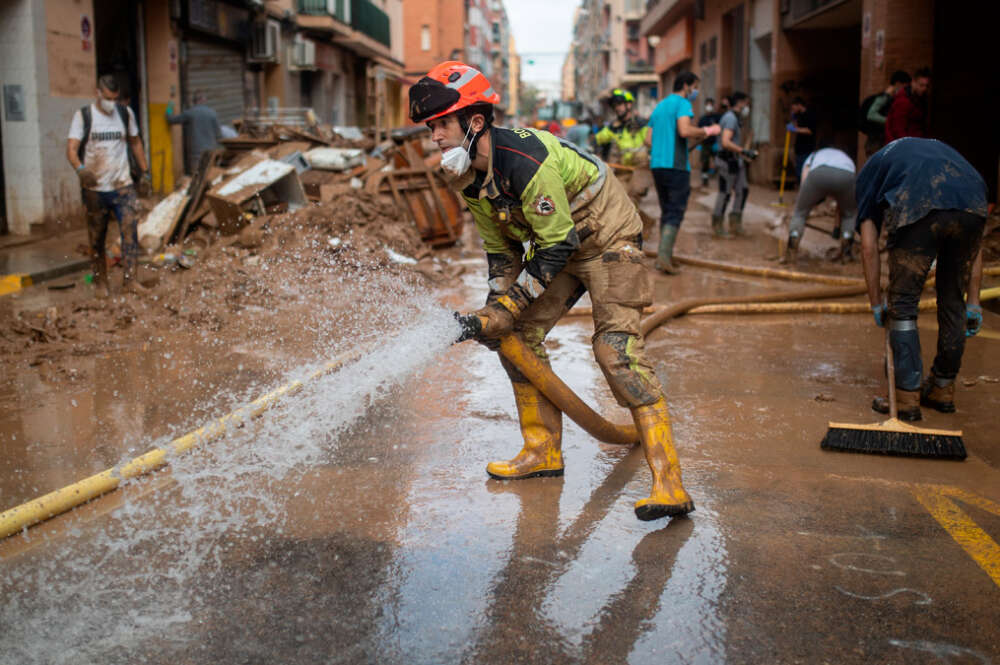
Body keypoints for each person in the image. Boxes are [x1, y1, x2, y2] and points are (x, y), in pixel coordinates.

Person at [410, 61, 694, 520]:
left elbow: (558, 243)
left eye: (442, 124)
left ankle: (669, 483)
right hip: (558, 242)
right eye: (431, 126)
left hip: (606, 237)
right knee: (514, 339)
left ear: (474, 121)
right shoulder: (466, 175)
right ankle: (541, 451)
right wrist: (496, 310)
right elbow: (501, 253)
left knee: (615, 350)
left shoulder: (525, 161)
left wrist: (509, 304)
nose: (435, 135)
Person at [856, 138, 987, 420]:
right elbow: (976, 249)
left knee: (902, 303)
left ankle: (906, 397)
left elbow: (868, 247)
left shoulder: (870, 171)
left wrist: (877, 303)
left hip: (919, 200)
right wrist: (973, 302)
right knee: (953, 301)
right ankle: (942, 388)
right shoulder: (942, 153)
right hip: (974, 202)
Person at [66, 74, 151, 298]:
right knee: (97, 237)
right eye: (108, 98)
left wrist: (145, 170)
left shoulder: (125, 113)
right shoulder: (83, 116)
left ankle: (130, 280)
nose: (111, 103)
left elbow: (135, 141)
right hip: (95, 189)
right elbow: (72, 149)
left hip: (122, 185)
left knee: (130, 232)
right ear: (98, 93)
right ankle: (100, 283)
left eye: (115, 98)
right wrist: (80, 169)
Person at [645, 72, 719, 273]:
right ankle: (663, 258)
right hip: (676, 167)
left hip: (658, 166)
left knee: (667, 210)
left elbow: (648, 140)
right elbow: (685, 130)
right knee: (675, 211)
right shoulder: (683, 104)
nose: (696, 91)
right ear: (686, 86)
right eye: (695, 86)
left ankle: (665, 255)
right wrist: (708, 131)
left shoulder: (660, 106)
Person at [780, 147, 857, 265]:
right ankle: (846, 252)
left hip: (819, 173)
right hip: (846, 174)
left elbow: (804, 182)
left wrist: (805, 205)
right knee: (849, 214)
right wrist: (836, 229)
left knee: (799, 213)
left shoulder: (812, 156)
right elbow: (841, 205)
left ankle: (791, 250)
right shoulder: (845, 159)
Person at [595, 89, 654, 239]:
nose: (617, 108)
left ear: (629, 105)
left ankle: (630, 237)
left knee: (630, 200)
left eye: (620, 104)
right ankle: (646, 222)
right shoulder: (614, 127)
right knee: (615, 199)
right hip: (622, 170)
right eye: (615, 105)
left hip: (640, 170)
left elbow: (650, 143)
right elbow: (598, 139)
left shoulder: (641, 124)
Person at [711, 91, 756, 238]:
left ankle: (735, 224)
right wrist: (743, 151)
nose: (747, 107)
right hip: (727, 162)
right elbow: (725, 141)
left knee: (743, 190)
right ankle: (717, 226)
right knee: (725, 193)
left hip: (736, 162)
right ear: (741, 103)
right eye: (746, 104)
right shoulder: (730, 118)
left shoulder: (735, 118)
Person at [166, 90, 222, 174]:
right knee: (210, 174)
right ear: (204, 100)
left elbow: (171, 120)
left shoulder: (190, 113)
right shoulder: (212, 113)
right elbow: (218, 134)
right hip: (210, 151)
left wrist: (169, 108)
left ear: (194, 101)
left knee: (197, 175)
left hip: (196, 152)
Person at [859, 70, 910, 157]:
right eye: (905, 87)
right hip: (876, 142)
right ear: (898, 84)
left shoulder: (892, 98)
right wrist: (890, 122)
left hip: (879, 142)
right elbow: (871, 115)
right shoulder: (885, 97)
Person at [885, 67, 930, 142]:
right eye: (921, 85)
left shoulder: (920, 100)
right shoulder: (903, 102)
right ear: (913, 82)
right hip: (905, 147)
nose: (924, 88)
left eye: (927, 86)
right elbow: (898, 131)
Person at [787, 97, 816, 183]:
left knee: (805, 172)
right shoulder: (799, 116)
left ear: (799, 105)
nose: (793, 109)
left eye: (794, 108)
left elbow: (810, 130)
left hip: (807, 148)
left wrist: (795, 130)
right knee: (798, 172)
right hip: (799, 148)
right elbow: (796, 126)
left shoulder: (809, 115)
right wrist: (793, 116)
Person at [696, 97, 722, 187]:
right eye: (708, 105)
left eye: (711, 105)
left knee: (719, 161)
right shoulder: (703, 119)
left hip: (716, 143)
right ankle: (705, 179)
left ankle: (720, 179)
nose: (709, 107)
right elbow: (698, 131)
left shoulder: (717, 117)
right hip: (705, 143)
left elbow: (721, 128)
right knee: (705, 162)